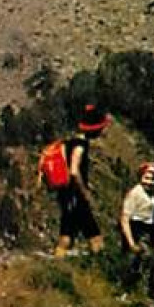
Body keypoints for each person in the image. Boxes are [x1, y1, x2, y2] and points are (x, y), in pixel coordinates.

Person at [54, 102, 111, 257]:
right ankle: (101, 269)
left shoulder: (68, 143)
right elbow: (74, 171)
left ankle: (58, 265)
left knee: (66, 236)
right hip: (77, 196)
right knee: (95, 236)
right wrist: (85, 192)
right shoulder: (80, 145)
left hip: (66, 195)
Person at [120, 162, 154, 253]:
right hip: (137, 231)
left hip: (148, 231)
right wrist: (131, 243)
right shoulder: (135, 193)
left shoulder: (152, 194)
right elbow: (125, 219)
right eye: (146, 178)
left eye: (153, 179)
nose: (149, 182)